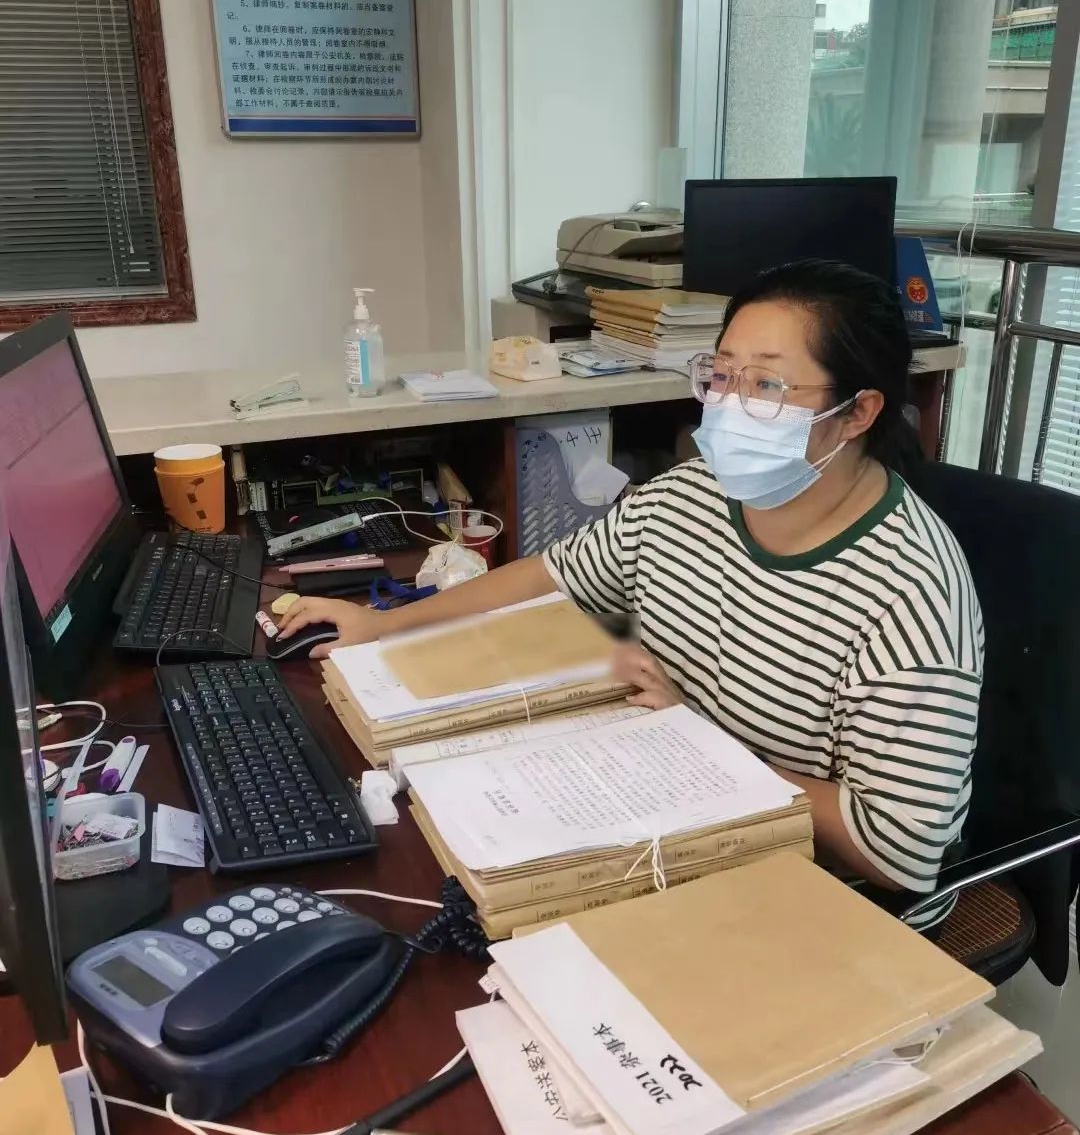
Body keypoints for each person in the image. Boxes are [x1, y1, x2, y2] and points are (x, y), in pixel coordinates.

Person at [280, 260, 982, 926]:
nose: (729, 406)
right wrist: (385, 626)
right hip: (675, 815)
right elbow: (551, 575)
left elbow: (897, 852)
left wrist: (704, 745)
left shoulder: (910, 592)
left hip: (817, 900)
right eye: (722, 375)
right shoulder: (690, 495)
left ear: (858, 413)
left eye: (768, 385)